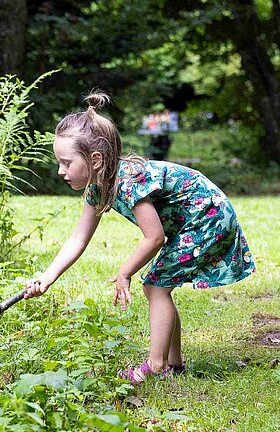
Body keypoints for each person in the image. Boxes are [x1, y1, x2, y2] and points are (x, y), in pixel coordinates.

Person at [23, 91, 255, 383]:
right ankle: (173, 364)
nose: (60, 170)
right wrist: (48, 276)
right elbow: (78, 239)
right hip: (192, 220)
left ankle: (156, 365)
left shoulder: (129, 180)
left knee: (156, 287)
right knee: (159, 286)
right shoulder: (97, 187)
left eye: (67, 163)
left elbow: (154, 237)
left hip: (207, 214)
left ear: (95, 159)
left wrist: (125, 271)